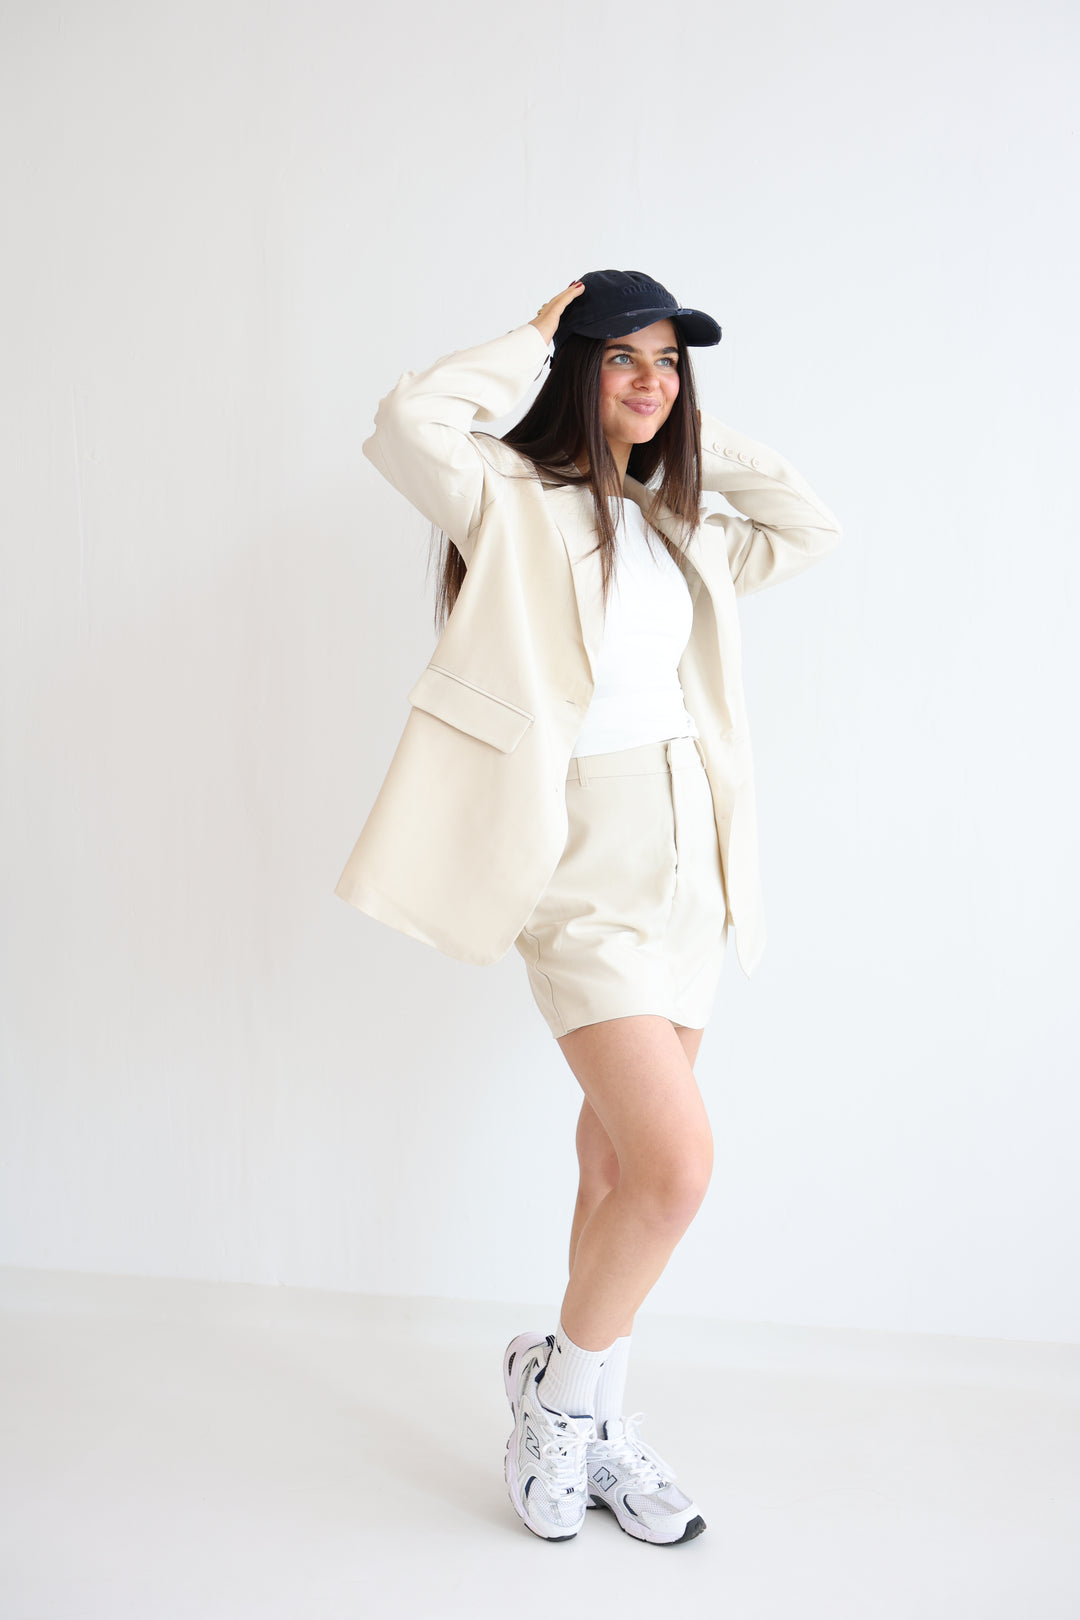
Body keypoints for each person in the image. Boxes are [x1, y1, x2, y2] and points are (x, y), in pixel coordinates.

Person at [335, 269, 842, 1546]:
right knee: (678, 1170)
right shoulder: (507, 496)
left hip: (691, 853)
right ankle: (555, 1402)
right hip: (579, 857)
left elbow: (807, 523)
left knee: (618, 1162)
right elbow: (406, 422)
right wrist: (535, 335)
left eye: (669, 362)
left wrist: (681, 433)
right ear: (575, 370)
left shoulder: (680, 526)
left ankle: (598, 1419)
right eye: (623, 359)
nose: (651, 381)